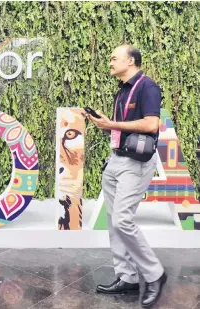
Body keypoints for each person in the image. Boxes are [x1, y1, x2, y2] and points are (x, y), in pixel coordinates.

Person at [86, 44, 166, 308]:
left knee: (122, 220)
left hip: (137, 163)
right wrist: (104, 124)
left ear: (130, 61)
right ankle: (127, 277)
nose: (110, 62)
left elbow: (151, 124)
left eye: (114, 58)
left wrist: (113, 124)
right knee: (113, 221)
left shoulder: (147, 87)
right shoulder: (121, 90)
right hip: (116, 159)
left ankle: (155, 274)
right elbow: (121, 128)